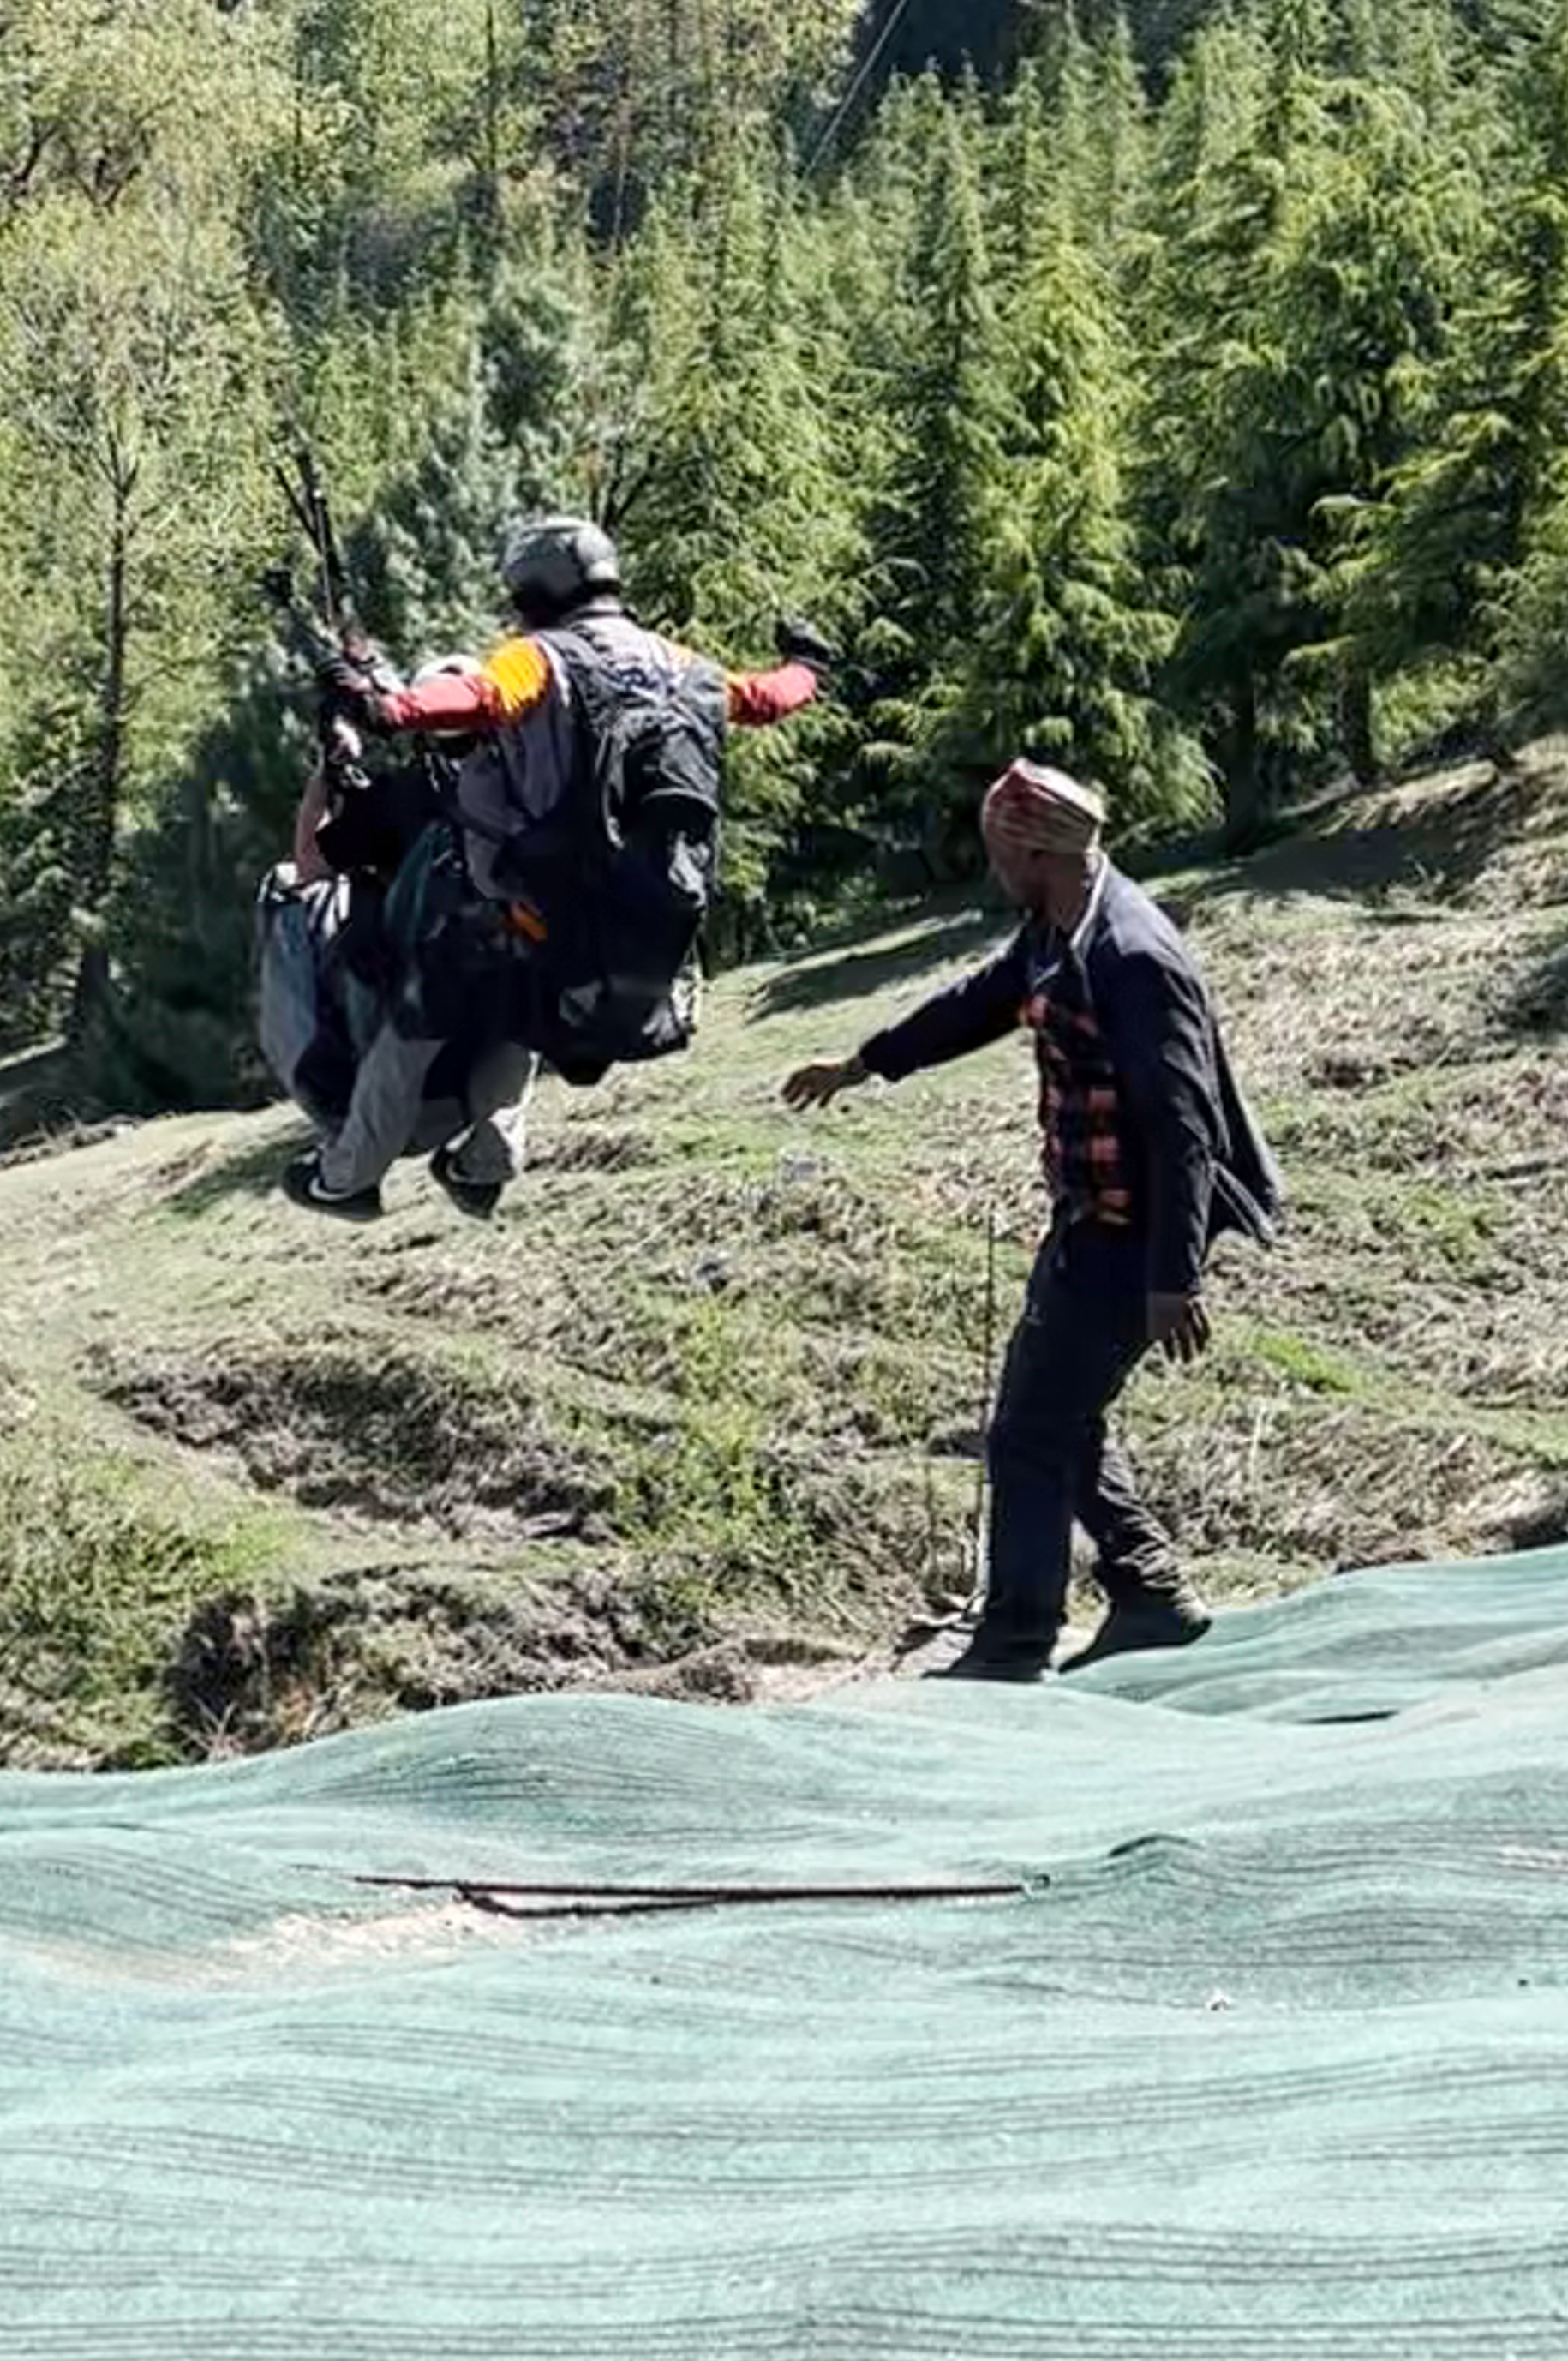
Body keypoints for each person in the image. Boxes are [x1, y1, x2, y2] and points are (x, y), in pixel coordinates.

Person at [777, 758, 1283, 1680]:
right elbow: (980, 1002)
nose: (989, 865)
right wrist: (862, 1063)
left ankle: (1014, 1640)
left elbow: (1185, 1127)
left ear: (1032, 847)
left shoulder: (1131, 954)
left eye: (996, 847)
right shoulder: (1055, 928)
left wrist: (1174, 1277)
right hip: (1093, 1213)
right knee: (1060, 1411)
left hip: (1138, 1226)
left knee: (1028, 1431)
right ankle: (1150, 1592)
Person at [291, 517, 821, 1220]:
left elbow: (478, 698)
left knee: (413, 1028)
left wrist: (385, 706)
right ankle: (485, 1164)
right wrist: (809, 664)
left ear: (537, 592)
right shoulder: (682, 665)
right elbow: (765, 698)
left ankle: (347, 1177)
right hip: (640, 930)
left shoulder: (534, 658)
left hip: (535, 918)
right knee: (516, 1018)